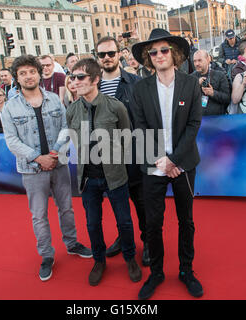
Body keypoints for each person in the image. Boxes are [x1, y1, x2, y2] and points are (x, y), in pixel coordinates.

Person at [1, 55, 92, 282]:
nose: (28, 76)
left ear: (39, 73)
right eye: (22, 73)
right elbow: (12, 141)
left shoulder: (53, 100)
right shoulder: (10, 107)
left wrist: (53, 155)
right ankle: (47, 256)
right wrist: (37, 158)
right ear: (17, 78)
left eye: (32, 71)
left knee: (67, 208)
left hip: (58, 164)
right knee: (39, 215)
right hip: (32, 170)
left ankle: (71, 243)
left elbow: (65, 128)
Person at [131, 28, 203, 299]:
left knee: (186, 219)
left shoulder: (190, 84)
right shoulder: (140, 89)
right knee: (153, 221)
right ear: (149, 58)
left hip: (183, 163)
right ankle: (156, 273)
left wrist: (174, 160)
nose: (159, 55)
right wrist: (161, 161)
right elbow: (140, 127)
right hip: (153, 163)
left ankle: (186, 270)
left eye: (164, 50)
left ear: (174, 54)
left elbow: (194, 124)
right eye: (153, 52)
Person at [66, 58, 142, 286]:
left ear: (95, 79)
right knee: (92, 224)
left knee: (125, 222)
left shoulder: (116, 107)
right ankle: (99, 261)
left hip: (115, 176)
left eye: (81, 77)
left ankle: (130, 258)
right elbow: (75, 141)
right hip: (88, 180)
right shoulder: (71, 111)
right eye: (72, 77)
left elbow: (127, 139)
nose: (75, 81)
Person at [96, 36, 149, 267]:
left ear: (120, 54)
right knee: (118, 204)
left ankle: (148, 242)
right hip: (105, 157)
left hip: (133, 154)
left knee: (141, 203)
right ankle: (124, 238)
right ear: (97, 58)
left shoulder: (136, 83)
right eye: (102, 55)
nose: (107, 58)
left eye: (111, 53)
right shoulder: (92, 85)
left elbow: (145, 119)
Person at [192, 50, 231, 115]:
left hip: (217, 118)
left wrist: (213, 93)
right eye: (194, 61)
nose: (197, 64)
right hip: (199, 119)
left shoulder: (220, 75)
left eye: (199, 60)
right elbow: (186, 100)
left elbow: (227, 98)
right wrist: (196, 85)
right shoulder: (191, 78)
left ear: (208, 60)